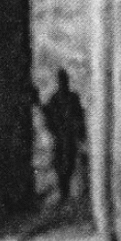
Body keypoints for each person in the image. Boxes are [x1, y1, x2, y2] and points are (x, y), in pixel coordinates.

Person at [41, 69, 87, 206]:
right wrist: (53, 132)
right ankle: (63, 192)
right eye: (61, 80)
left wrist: (81, 134)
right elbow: (48, 117)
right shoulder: (54, 99)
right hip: (60, 138)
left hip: (69, 137)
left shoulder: (73, 97)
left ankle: (65, 192)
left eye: (64, 80)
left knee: (69, 163)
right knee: (60, 164)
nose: (63, 83)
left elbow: (79, 116)